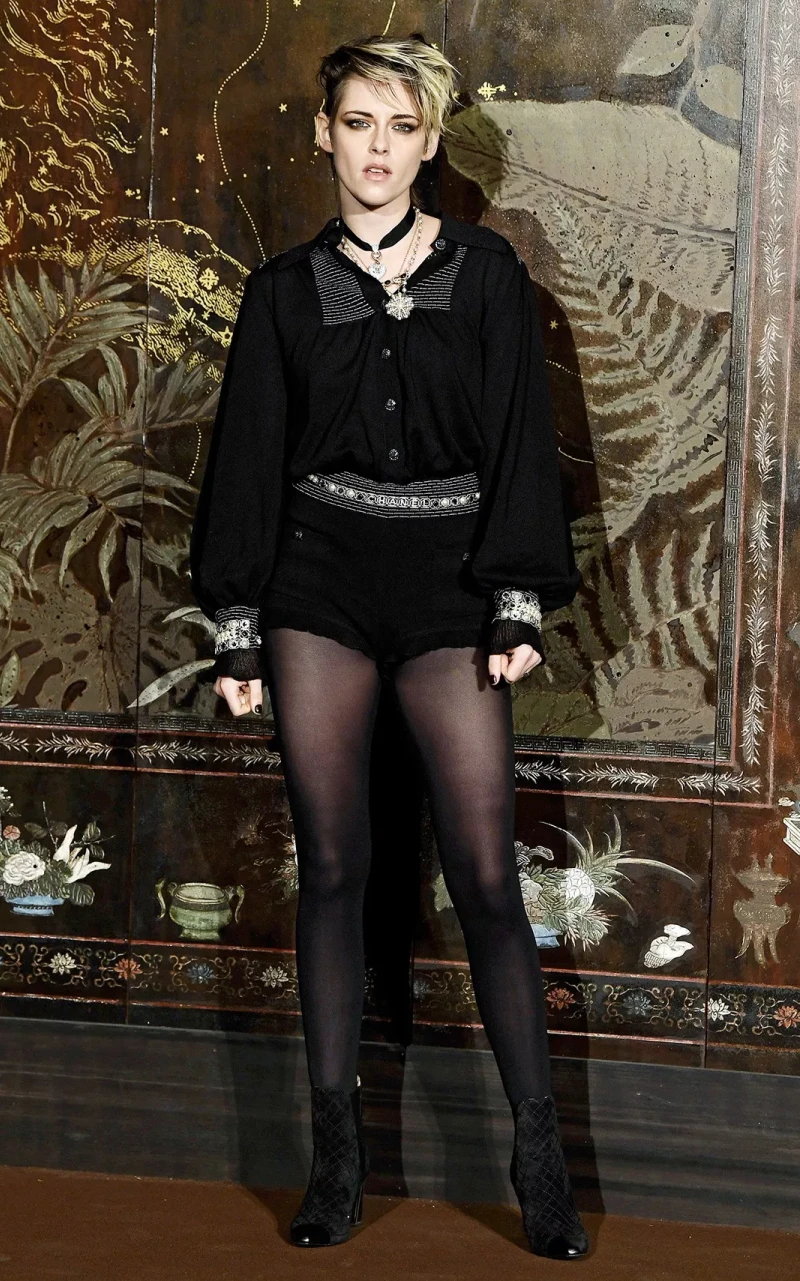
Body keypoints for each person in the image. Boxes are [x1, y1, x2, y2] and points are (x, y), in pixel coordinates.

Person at [189, 32, 587, 1261]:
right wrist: (238, 629)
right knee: (332, 869)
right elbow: (248, 460)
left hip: (449, 582)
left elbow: (520, 442)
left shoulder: (486, 275)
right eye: (356, 122)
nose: (376, 147)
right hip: (317, 580)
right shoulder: (280, 293)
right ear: (324, 135)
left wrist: (515, 601)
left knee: (482, 878)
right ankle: (336, 1163)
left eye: (399, 126)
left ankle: (540, 1165)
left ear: (429, 143)